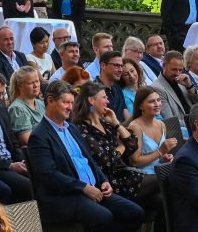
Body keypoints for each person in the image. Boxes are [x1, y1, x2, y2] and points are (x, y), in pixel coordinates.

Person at [27, 81, 147, 229]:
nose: (70, 107)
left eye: (72, 102)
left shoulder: (71, 128)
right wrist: (83, 187)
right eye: (66, 102)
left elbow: (90, 160)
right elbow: (49, 175)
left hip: (94, 188)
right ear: (50, 101)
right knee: (104, 217)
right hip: (67, 196)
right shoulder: (39, 135)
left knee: (136, 212)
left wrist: (103, 181)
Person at [5, 66, 46, 145]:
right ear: (19, 86)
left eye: (37, 81)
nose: (36, 85)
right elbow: (26, 139)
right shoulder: (17, 108)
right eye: (31, 83)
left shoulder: (41, 103)